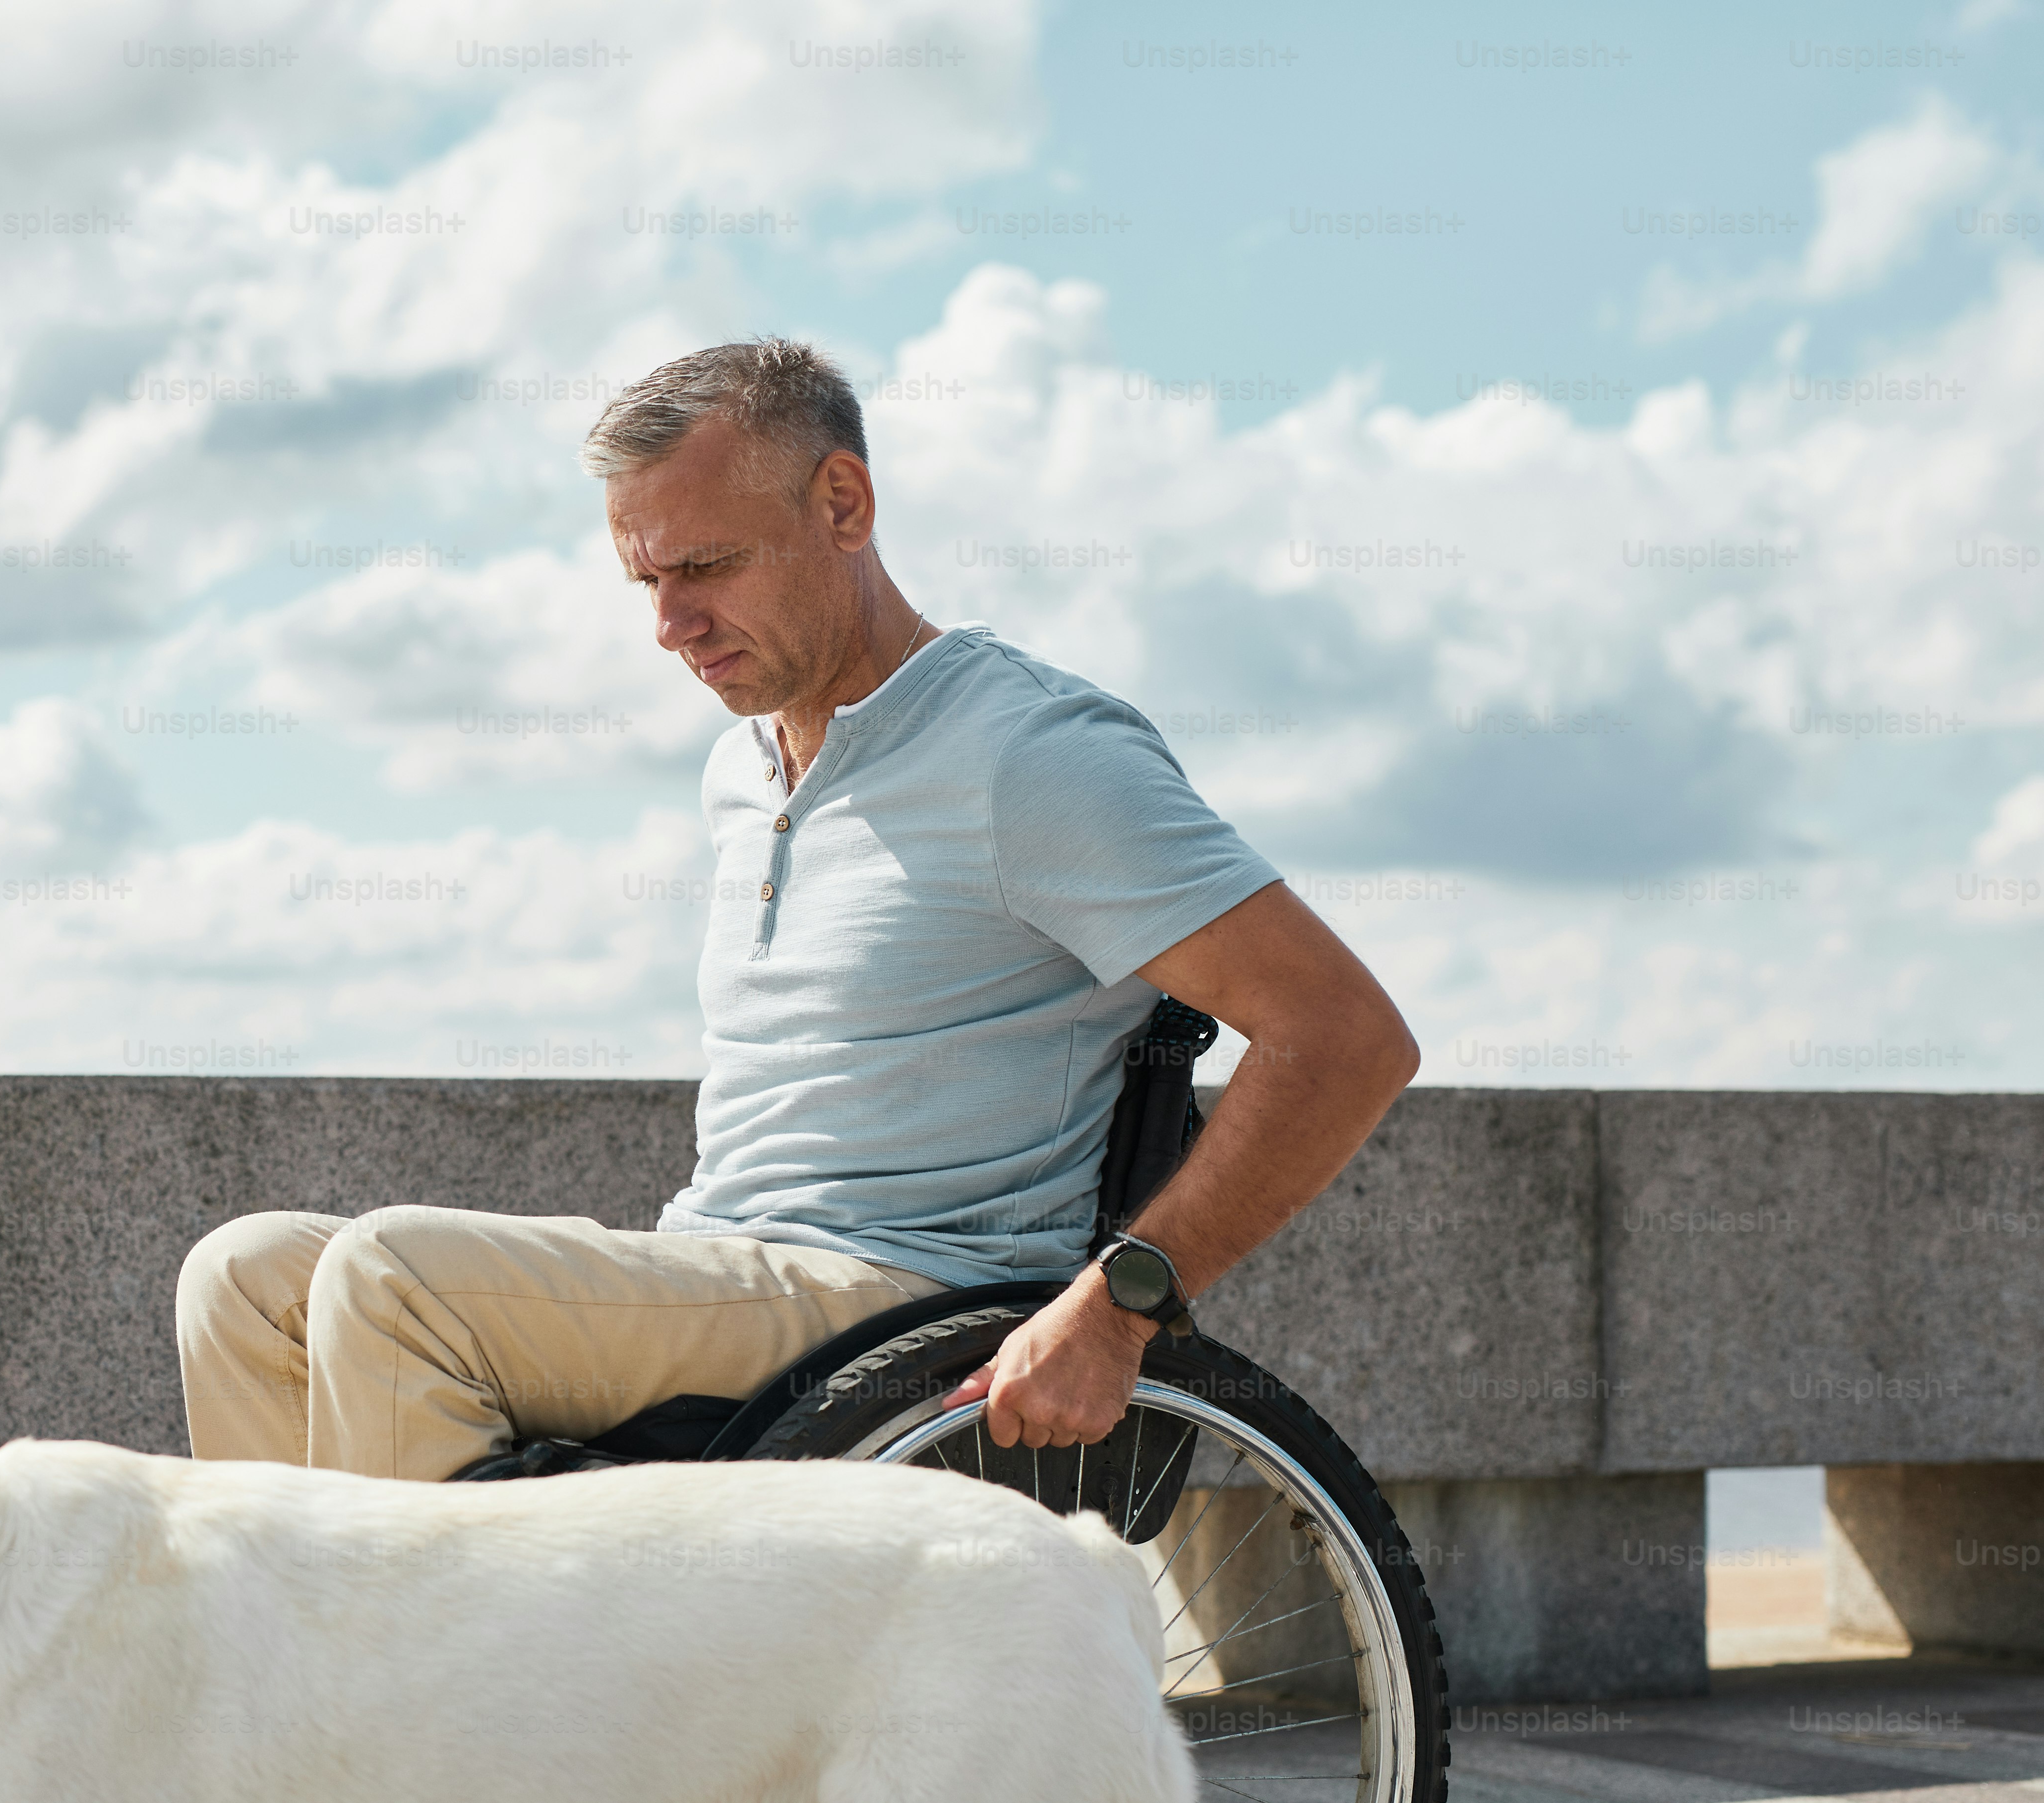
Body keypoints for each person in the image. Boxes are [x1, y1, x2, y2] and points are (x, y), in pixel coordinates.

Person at [175, 337, 1416, 1479]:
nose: (670, 625)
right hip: (725, 1260)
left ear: (843, 505)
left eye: (706, 566)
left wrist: (1120, 1301)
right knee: (241, 1277)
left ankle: (447, 1704)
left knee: (396, 1279)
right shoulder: (742, 768)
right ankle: (308, 1692)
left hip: (906, 1295)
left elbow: (1343, 1033)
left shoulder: (1030, 753)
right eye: (646, 579)